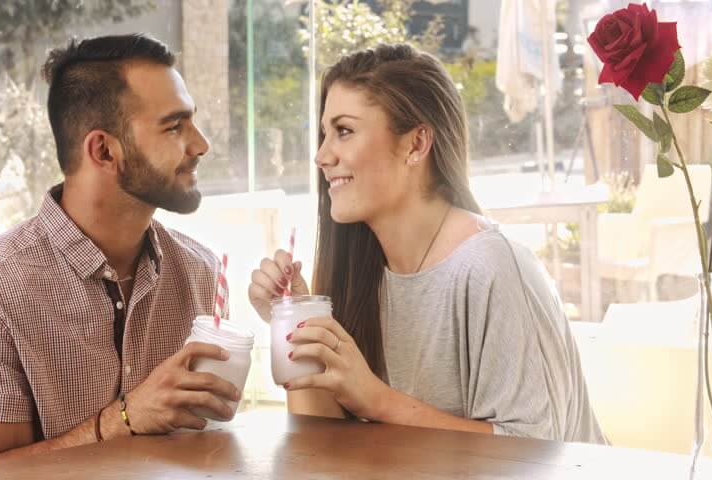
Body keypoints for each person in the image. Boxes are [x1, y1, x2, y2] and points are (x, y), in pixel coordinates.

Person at [248, 43, 607, 444]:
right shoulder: (361, 270)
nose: (321, 155)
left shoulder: (493, 267)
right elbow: (323, 441)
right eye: (324, 133)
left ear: (416, 144)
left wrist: (375, 399)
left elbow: (536, 451)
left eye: (344, 131)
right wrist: (297, 326)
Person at [0, 34, 241, 469]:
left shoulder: (200, 271)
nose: (200, 144)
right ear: (103, 150)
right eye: (174, 126)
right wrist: (124, 419)